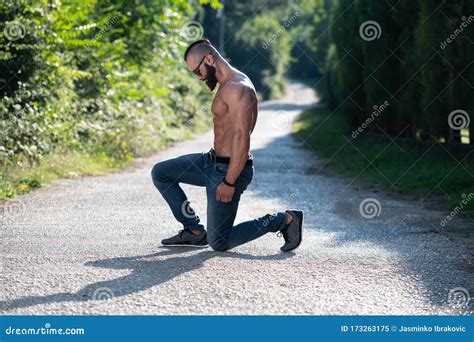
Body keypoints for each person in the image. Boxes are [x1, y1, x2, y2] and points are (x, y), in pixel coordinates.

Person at [151, 39, 303, 252]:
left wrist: (230, 182)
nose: (199, 77)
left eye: (198, 71)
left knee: (219, 242)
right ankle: (194, 231)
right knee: (161, 173)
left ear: (209, 59)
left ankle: (284, 220)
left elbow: (242, 138)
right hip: (210, 162)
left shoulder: (237, 88)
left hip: (228, 170)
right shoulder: (228, 85)